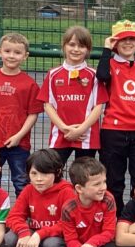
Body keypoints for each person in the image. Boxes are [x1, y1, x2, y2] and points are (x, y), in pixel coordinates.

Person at [97, 20, 135, 211]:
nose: (128, 43)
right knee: (113, 179)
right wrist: (106, 50)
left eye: (132, 39)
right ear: (115, 43)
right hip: (113, 130)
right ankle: (114, 217)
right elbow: (102, 76)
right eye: (123, 39)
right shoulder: (110, 64)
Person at [4, 148, 77, 247]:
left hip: (58, 237)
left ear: (57, 172)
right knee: (11, 238)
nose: (38, 179)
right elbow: (14, 216)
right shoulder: (28, 190)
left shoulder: (67, 192)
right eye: (34, 173)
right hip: (36, 234)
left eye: (45, 173)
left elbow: (68, 223)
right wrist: (24, 232)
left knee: (52, 245)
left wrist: (39, 234)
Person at [38, 25, 106, 164]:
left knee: (84, 174)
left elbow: (98, 107)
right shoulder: (53, 74)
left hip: (86, 136)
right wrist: (64, 128)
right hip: (61, 134)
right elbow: (48, 105)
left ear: (88, 50)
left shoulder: (94, 75)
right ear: (64, 46)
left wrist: (80, 129)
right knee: (53, 170)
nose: (76, 49)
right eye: (72, 44)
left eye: (81, 46)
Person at [0, 32, 42, 196]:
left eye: (17, 52)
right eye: (7, 51)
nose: (11, 56)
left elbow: (33, 114)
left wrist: (19, 136)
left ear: (25, 56)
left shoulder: (29, 84)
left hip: (19, 144)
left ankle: (23, 212)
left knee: (21, 182)